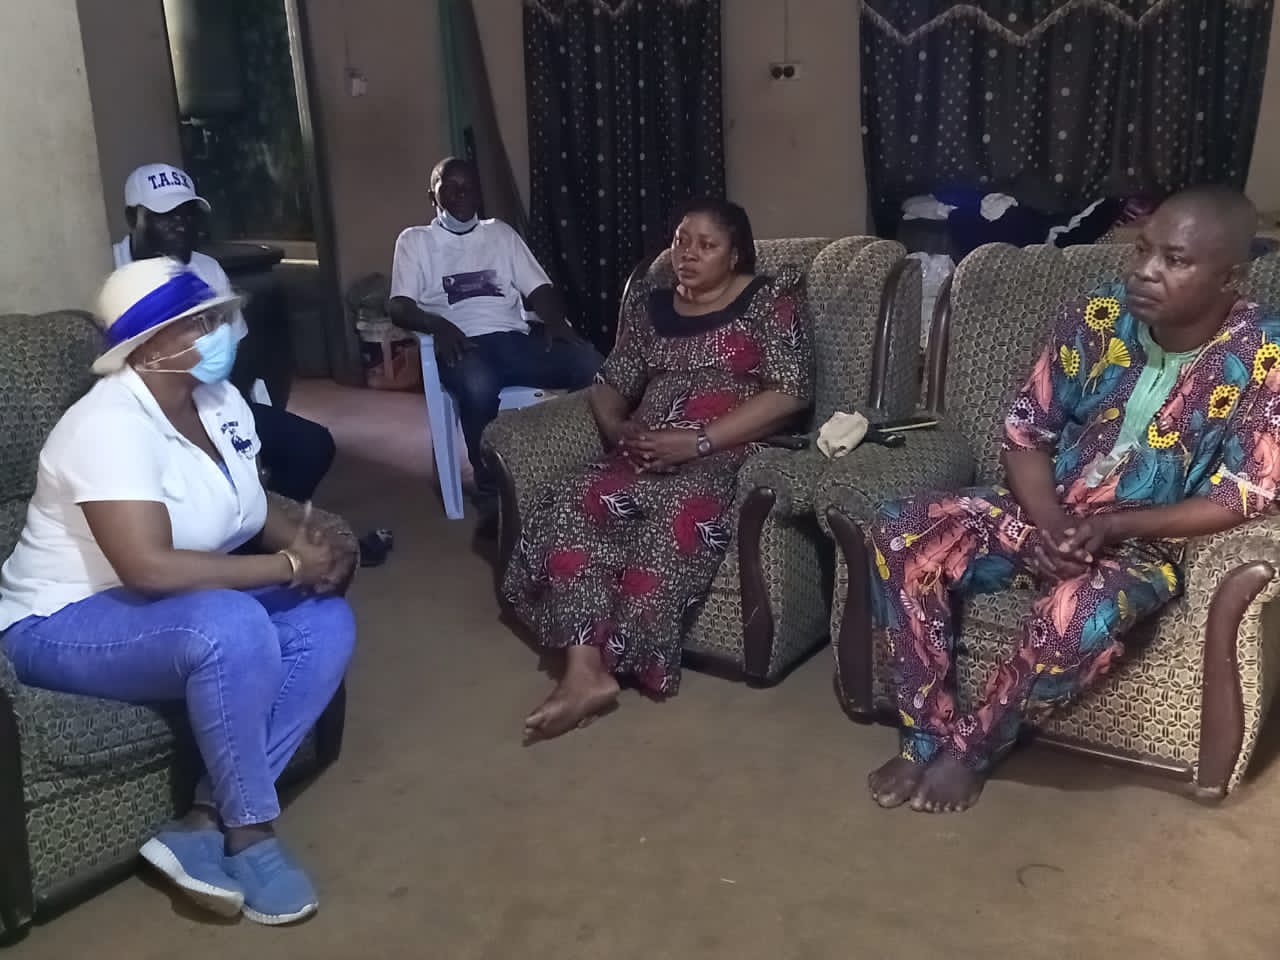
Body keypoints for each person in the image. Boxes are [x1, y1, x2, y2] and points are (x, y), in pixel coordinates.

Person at [865, 185, 1278, 813]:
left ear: (1231, 277)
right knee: (901, 531)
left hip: (1143, 542)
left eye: (1175, 259)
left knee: (1078, 611)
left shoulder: (1266, 352)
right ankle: (924, 736)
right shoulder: (1100, 313)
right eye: (1142, 250)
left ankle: (973, 749)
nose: (1145, 269)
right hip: (1044, 508)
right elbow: (1025, 431)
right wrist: (1050, 525)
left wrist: (1114, 528)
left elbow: (1246, 492)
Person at [0, 259, 358, 923]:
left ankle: (199, 821)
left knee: (327, 624)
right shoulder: (106, 426)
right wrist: (285, 567)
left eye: (219, 316)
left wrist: (307, 545)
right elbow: (149, 568)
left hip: (165, 611)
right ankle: (250, 831)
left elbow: (249, 505)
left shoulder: (215, 400)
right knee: (230, 625)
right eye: (201, 323)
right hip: (56, 621)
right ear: (153, 345)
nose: (223, 330)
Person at [504, 198, 813, 741]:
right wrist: (620, 429)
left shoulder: (771, 300)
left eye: (706, 244)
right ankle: (585, 673)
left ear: (736, 254)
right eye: (681, 240)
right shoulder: (649, 307)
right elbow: (609, 383)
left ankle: (621, 659)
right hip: (647, 447)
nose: (687, 254)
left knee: (678, 510)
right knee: (570, 502)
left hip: (728, 448)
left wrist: (696, 442)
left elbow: (790, 393)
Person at [113, 163, 337, 504]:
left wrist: (236, 417)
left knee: (313, 446)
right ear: (133, 219)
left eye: (188, 215)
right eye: (165, 216)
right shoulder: (105, 270)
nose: (181, 226)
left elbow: (239, 350)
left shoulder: (207, 270)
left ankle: (259, 530)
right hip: (143, 418)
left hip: (211, 405)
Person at [387, 157, 603, 505]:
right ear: (433, 196)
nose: (461, 193)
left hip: (513, 339)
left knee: (590, 364)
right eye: (451, 186)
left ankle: (576, 466)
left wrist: (554, 320)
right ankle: (492, 489)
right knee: (478, 386)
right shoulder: (416, 241)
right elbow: (399, 305)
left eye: (469, 186)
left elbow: (540, 290)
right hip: (462, 345)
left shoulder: (500, 234)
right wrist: (437, 324)